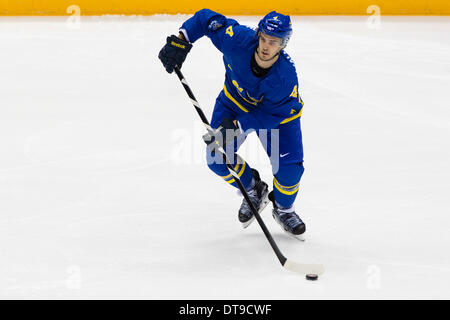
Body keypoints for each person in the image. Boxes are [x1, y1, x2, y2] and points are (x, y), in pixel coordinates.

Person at [158, 9, 306, 239]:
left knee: (289, 171)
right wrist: (181, 41)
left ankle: (284, 209)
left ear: (283, 44)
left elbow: (268, 115)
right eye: (264, 38)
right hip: (233, 103)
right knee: (216, 158)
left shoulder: (285, 77)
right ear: (258, 35)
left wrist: (236, 126)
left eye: (274, 42)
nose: (266, 46)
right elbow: (204, 19)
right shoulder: (236, 40)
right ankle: (253, 188)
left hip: (279, 118)